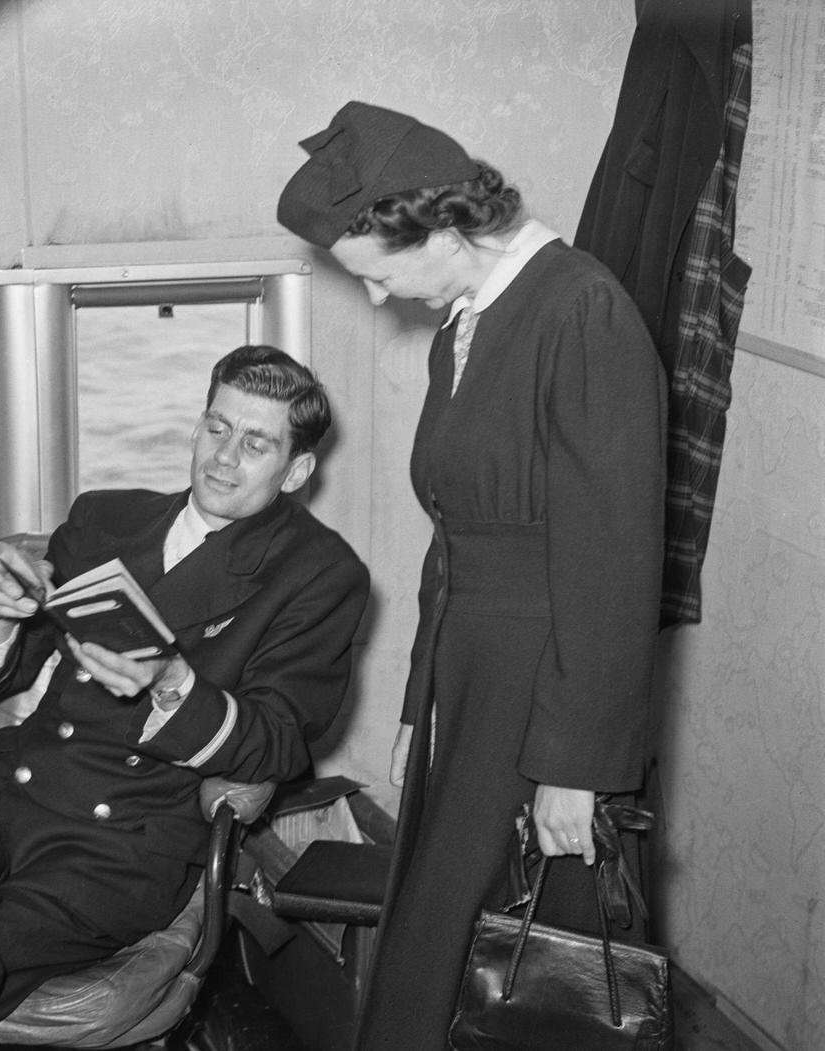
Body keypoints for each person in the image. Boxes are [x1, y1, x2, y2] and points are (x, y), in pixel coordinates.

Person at [0, 344, 369, 1051]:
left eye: (256, 443)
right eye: (217, 427)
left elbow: (278, 740)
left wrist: (174, 684)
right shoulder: (106, 520)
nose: (224, 457)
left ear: (297, 470)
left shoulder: (318, 575)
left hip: (121, 834)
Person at [277, 102, 665, 1050]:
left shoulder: (581, 308)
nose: (375, 302)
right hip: (475, 683)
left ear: (445, 227)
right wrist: (420, 701)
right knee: (444, 948)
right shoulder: (470, 318)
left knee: (522, 973)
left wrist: (573, 769)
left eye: (379, 275)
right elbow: (453, 542)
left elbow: (613, 561)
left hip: (545, 696)